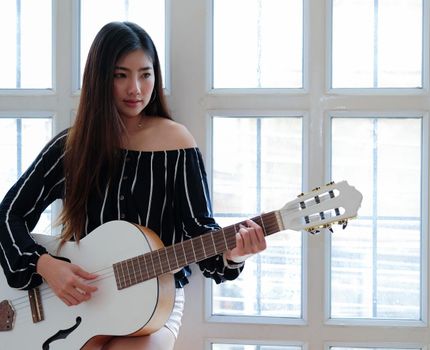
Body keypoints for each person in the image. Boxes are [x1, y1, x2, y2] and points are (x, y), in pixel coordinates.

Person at [0, 21, 266, 350]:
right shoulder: (72, 147)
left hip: (154, 304)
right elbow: (7, 215)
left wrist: (233, 254)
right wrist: (45, 265)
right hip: (79, 304)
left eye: (145, 74)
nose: (135, 89)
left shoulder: (177, 143)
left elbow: (199, 230)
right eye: (120, 75)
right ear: (100, 79)